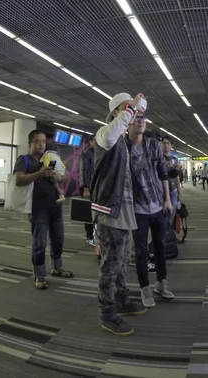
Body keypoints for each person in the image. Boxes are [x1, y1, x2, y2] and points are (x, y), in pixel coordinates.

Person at [91, 92, 148, 336]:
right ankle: (108, 314)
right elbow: (113, 132)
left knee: (123, 262)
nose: (133, 112)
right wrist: (131, 109)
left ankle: (122, 300)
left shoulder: (122, 142)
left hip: (123, 211)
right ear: (116, 112)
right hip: (109, 213)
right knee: (110, 266)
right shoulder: (104, 135)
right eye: (126, 108)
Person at [14, 130, 73, 290]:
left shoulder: (51, 158)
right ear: (30, 143)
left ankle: (57, 267)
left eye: (43, 142)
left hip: (55, 206)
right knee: (39, 242)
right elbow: (19, 180)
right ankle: (39, 275)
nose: (41, 144)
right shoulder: (24, 160)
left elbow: (65, 176)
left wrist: (59, 177)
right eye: (37, 141)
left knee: (58, 239)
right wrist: (39, 174)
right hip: (37, 208)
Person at [127, 116, 174, 308]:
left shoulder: (153, 144)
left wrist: (168, 199)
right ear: (127, 121)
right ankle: (144, 287)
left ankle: (161, 282)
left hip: (158, 206)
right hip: (137, 208)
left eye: (143, 118)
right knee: (140, 250)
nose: (141, 121)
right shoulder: (123, 147)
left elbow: (163, 173)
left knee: (160, 246)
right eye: (136, 118)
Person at [79, 136, 96, 246]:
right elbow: (83, 171)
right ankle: (89, 236)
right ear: (90, 142)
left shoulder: (98, 152)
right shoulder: (86, 153)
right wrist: (85, 188)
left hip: (95, 186)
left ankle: (94, 235)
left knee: (95, 212)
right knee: (89, 214)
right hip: (88, 187)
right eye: (95, 140)